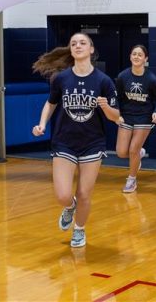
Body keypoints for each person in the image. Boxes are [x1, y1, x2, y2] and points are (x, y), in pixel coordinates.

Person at [32, 32, 120, 248]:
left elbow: (116, 116)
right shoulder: (61, 79)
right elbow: (51, 103)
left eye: (82, 43)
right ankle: (69, 207)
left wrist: (106, 107)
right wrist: (42, 123)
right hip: (64, 141)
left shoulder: (103, 81)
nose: (78, 46)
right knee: (63, 195)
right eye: (73, 43)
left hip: (92, 143)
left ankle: (79, 230)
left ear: (91, 49)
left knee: (83, 193)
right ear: (71, 50)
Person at [115, 45, 156, 193]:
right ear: (130, 57)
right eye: (134, 54)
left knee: (133, 150)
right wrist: (117, 113)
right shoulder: (123, 76)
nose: (136, 57)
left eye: (140, 55)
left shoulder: (151, 79)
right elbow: (117, 98)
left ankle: (131, 180)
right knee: (121, 152)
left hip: (144, 117)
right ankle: (140, 154)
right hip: (127, 116)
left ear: (145, 59)